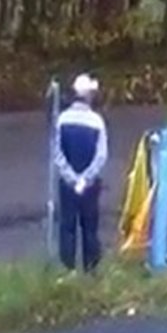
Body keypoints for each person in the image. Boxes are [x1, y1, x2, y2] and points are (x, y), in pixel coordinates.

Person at [53, 73, 108, 272]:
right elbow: (101, 156)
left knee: (67, 226)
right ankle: (90, 269)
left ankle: (67, 269)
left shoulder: (62, 120)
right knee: (90, 227)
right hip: (90, 185)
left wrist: (71, 177)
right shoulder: (97, 122)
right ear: (89, 96)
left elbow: (57, 153)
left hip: (67, 185)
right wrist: (85, 178)